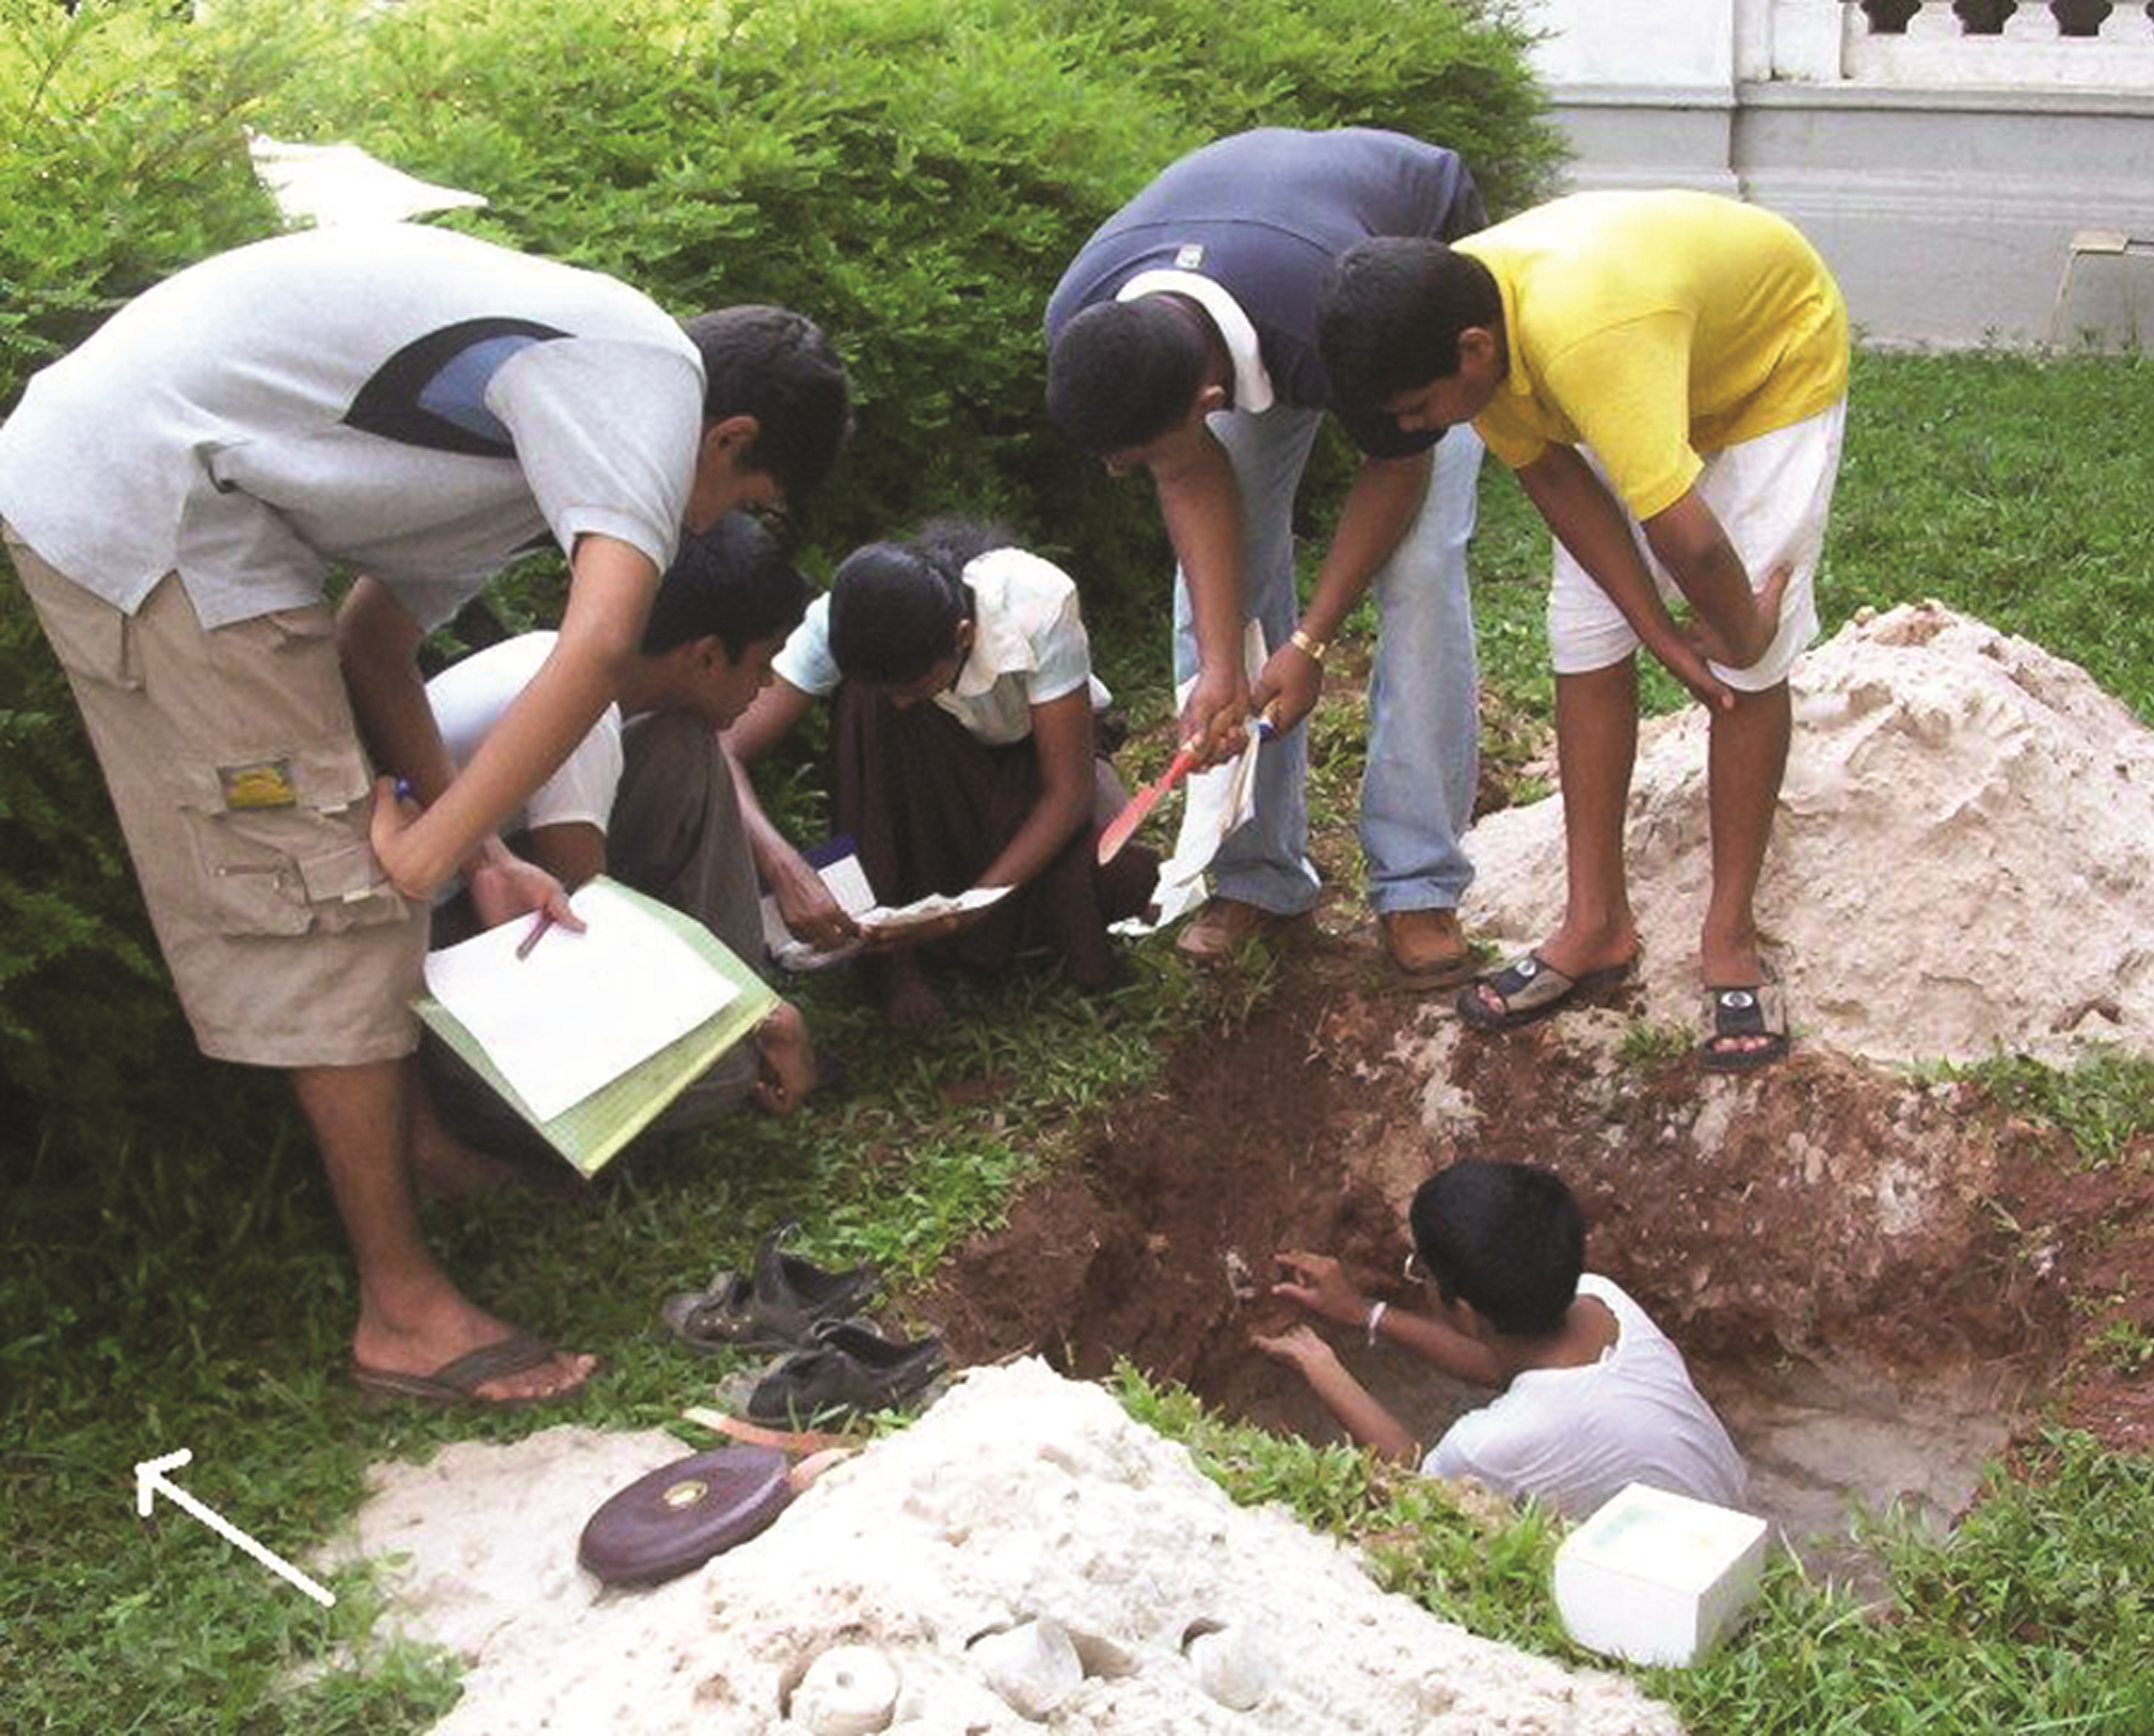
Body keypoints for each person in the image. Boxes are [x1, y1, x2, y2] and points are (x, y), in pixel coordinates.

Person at [0, 221, 850, 1407]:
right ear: (730, 435)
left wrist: (484, 852)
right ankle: (402, 1315)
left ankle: (427, 1158)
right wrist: (428, 859)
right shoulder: (643, 382)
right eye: (738, 496)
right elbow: (599, 642)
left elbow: (374, 642)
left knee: (356, 866)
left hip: (200, 501)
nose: (706, 530)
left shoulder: (540, 442)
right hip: (156, 508)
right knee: (329, 892)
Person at [1316, 191, 1851, 1070]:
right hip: (1642, 359)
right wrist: (1654, 630)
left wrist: (1739, 634)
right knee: (1585, 637)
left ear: (1474, 352)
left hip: (1767, 360)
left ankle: (1729, 937)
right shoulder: (1464, 314)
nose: (1413, 431)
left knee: (1745, 655)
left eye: (1417, 408)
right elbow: (1558, 483)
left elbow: (1693, 541)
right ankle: (1596, 922)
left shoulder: (1576, 335)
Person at [1043, 127, 1490, 980]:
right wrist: (1223, 662)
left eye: (1132, 455)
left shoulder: (1341, 324)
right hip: (1262, 251)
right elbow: (1187, 477)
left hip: (1405, 244)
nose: (1115, 474)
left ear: (1210, 401)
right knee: (1208, 605)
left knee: (1424, 573)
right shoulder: (1086, 321)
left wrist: (1310, 643)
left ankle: (1417, 882)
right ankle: (1257, 873)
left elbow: (1397, 468)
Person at [422, 512, 820, 1152]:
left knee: (688, 745)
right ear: (707, 655)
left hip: (488, 907)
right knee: (729, 1074)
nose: (769, 684)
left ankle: (735, 1010)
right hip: (446, 972)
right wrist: (757, 1015)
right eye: (764, 663)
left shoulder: (571, 668)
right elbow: (590, 928)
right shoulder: (581, 712)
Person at [723, 519, 1157, 1030]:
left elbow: (1068, 793)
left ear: (963, 636)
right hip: (926, 775)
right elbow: (724, 749)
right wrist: (784, 868)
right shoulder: (842, 620)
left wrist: (970, 907)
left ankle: (991, 930)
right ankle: (895, 966)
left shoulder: (1037, 601)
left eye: (913, 685)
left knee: (1113, 867)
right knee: (867, 705)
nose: (902, 701)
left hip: (1031, 761)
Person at [1252, 1158, 1748, 1521]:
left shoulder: (1493, 1443)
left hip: (1662, 1593)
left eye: (1421, 1270)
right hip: (1726, 1525)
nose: (1417, 1278)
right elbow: (1496, 1365)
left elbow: (1421, 1489)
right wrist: (1364, 1313)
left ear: (1463, 1310)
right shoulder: (1603, 1301)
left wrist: (1319, 1364)